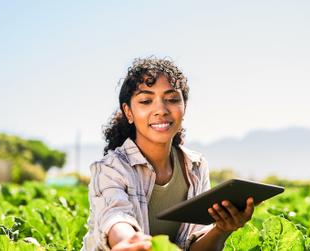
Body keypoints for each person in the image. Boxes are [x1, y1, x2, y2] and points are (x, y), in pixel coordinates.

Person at [82, 57, 255, 251]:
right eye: (146, 101)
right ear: (128, 112)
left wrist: (221, 229)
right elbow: (114, 216)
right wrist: (128, 242)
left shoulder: (195, 166)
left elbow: (193, 247)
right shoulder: (111, 168)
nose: (161, 110)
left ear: (184, 107)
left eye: (172, 99)